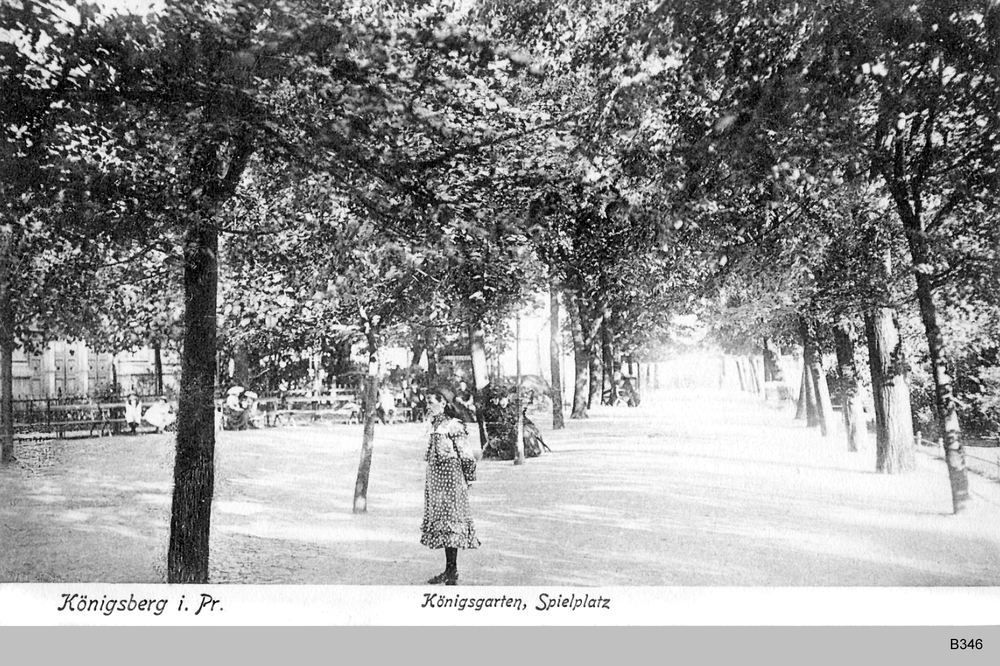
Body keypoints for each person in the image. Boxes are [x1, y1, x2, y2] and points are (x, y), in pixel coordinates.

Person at [421, 390, 480, 585]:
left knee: (451, 524)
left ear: (443, 403)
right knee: (443, 526)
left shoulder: (453, 426)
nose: (428, 406)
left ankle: (452, 572)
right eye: (428, 403)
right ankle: (449, 570)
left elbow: (466, 454)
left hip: (451, 481)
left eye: (431, 402)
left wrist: (469, 477)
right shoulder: (434, 424)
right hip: (437, 482)